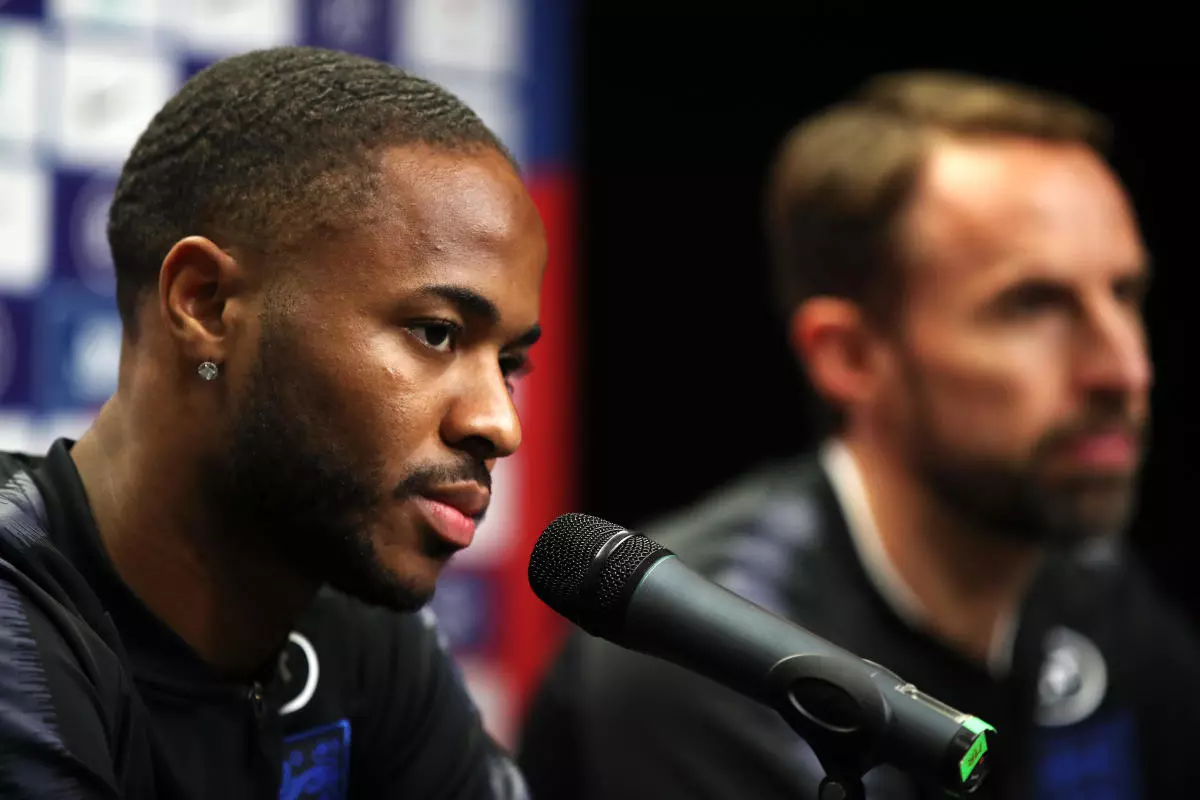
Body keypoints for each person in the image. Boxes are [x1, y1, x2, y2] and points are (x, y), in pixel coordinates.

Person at [517, 71, 1200, 799]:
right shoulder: (702, 661)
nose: (1125, 369)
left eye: (1125, 294)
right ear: (848, 356)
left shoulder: (1092, 586)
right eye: (1032, 306)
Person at [0, 46, 546, 798]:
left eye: (511, 364)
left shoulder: (358, 623)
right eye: (436, 331)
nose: (499, 424)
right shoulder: (17, 625)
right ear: (206, 304)